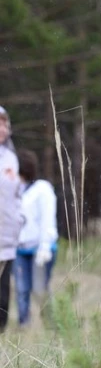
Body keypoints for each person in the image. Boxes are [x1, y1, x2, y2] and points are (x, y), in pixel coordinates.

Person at [14, 150, 58, 327]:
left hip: (40, 249)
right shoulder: (15, 190)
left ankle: (50, 325)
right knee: (21, 289)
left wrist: (45, 245)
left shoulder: (42, 189)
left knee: (40, 289)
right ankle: (24, 323)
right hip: (19, 248)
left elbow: (48, 218)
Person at [0, 106, 23, 333]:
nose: (2, 128)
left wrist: (20, 220)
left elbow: (16, 197)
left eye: (5, 123)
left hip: (6, 241)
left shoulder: (10, 159)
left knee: (3, 299)